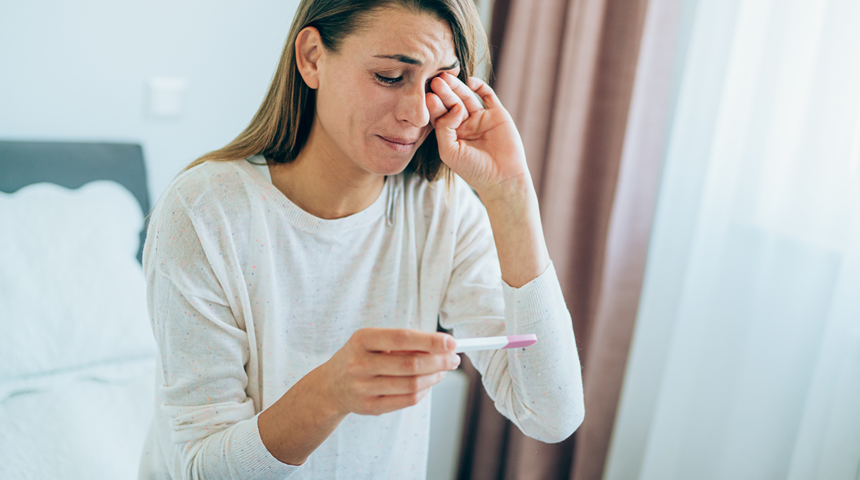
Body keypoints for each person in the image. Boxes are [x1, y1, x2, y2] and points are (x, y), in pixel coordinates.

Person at [138, 0, 584, 478]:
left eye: (438, 84)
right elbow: (202, 467)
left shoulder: (442, 212)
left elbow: (551, 415)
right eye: (390, 76)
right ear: (312, 57)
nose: (417, 114)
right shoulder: (204, 212)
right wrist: (331, 391)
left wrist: (511, 193)